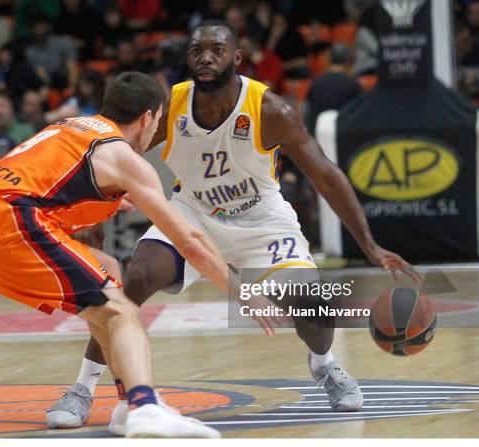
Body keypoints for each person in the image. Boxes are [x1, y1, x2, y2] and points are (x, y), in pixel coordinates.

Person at [55, 20, 421, 431]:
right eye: (197, 50)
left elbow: (324, 173)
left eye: (217, 49)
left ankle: (324, 365)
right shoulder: (169, 106)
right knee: (136, 278)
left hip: (262, 221)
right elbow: (107, 151)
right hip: (193, 212)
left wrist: (370, 245)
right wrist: (91, 211)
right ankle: (83, 387)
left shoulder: (270, 109)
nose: (206, 57)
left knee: (314, 302)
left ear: (237, 57)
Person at [0, 71, 259, 438]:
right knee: (123, 310)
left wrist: (107, 204)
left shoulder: (70, 127)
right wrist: (241, 291)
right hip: (10, 222)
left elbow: (51, 186)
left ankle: (128, 404)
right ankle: (145, 406)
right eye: (157, 120)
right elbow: (189, 240)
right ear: (148, 118)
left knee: (108, 272)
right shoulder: (122, 157)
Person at [305, 43, 362, 135]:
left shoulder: (316, 83)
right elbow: (359, 116)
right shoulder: (353, 84)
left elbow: (308, 114)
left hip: (319, 135)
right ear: (348, 60)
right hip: (343, 137)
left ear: (329, 59)